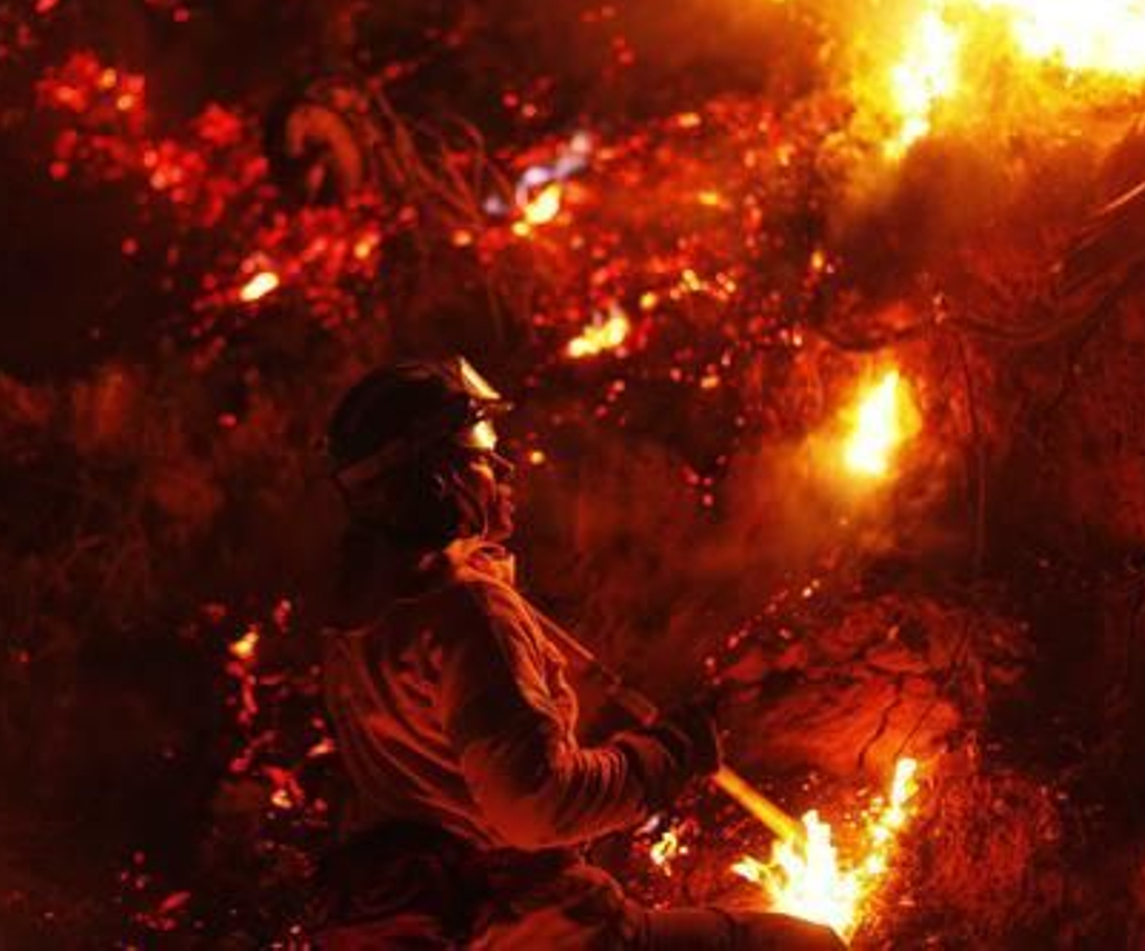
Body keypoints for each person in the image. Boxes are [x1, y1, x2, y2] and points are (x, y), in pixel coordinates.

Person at [310, 356, 844, 949]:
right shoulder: (467, 613)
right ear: (441, 479)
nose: (505, 468)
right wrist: (660, 759)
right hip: (532, 930)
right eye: (483, 456)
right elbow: (533, 807)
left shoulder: (358, 622)